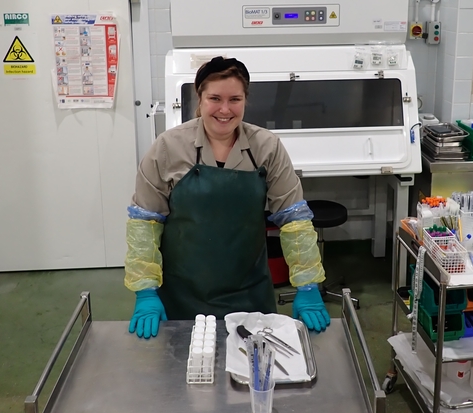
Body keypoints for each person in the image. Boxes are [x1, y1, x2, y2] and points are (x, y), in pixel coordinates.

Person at [124, 57, 330, 339]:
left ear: (245, 100)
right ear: (200, 98)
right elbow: (145, 224)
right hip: (182, 293)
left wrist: (307, 286)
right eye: (214, 98)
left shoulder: (266, 147)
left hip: (250, 292)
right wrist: (146, 291)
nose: (224, 109)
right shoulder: (167, 148)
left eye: (235, 99)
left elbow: (293, 219)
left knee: (254, 374)